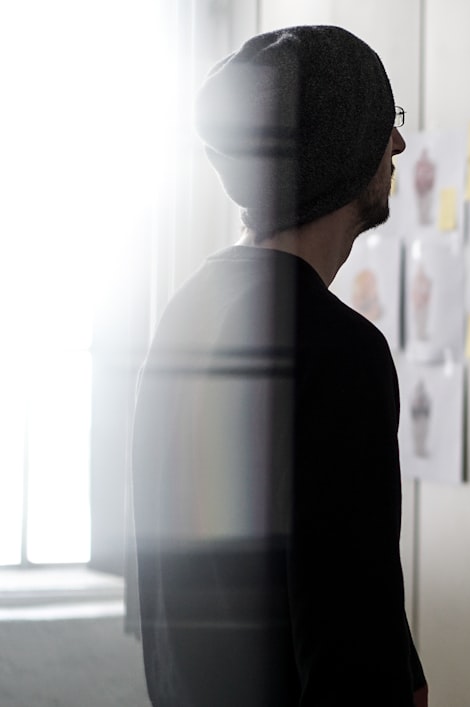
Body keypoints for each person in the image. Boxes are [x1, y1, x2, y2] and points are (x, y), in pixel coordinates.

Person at [130, 25, 427, 706]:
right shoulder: (334, 349)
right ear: (342, 146)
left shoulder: (187, 313)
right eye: (387, 123)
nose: (400, 144)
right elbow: (352, 634)